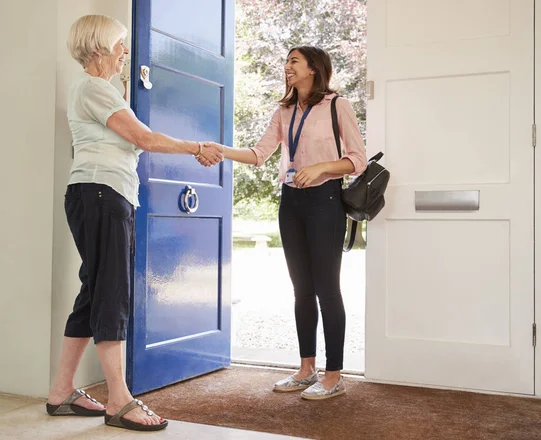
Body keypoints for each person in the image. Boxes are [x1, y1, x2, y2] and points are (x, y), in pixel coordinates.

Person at [47, 14, 224, 432]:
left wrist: (127, 83)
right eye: (120, 44)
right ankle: (120, 401)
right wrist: (198, 146)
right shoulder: (93, 88)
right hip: (102, 194)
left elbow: (127, 130)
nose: (125, 50)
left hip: (99, 194)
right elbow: (143, 138)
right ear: (99, 47)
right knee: (111, 293)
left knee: (94, 292)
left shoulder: (100, 90)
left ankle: (61, 392)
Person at [202, 46, 367, 400]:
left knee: (327, 288)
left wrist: (321, 166)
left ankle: (334, 374)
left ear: (313, 68)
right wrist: (221, 149)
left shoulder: (338, 105)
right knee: (301, 289)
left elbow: (357, 160)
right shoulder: (284, 110)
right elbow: (259, 154)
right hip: (290, 202)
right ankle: (307, 369)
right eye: (287, 62)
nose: (287, 67)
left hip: (325, 201)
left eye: (294, 61)